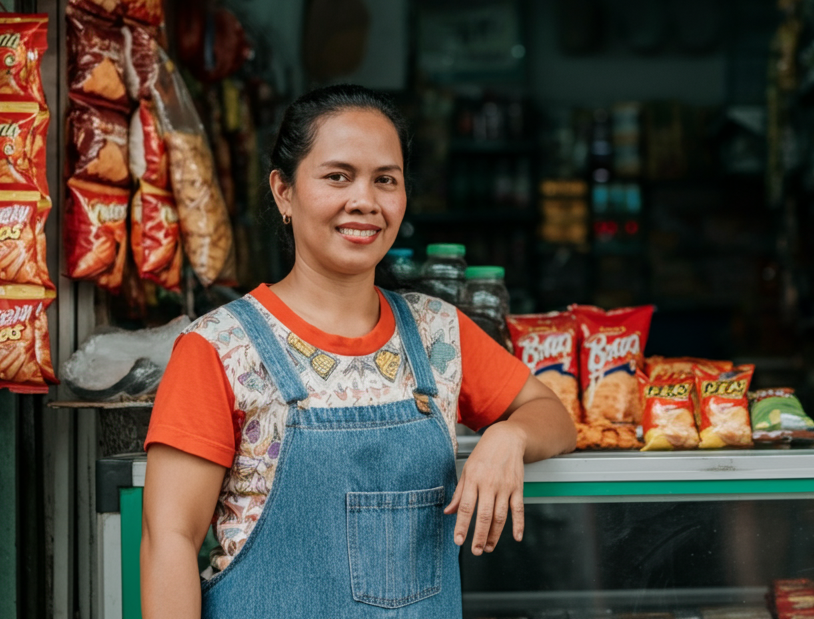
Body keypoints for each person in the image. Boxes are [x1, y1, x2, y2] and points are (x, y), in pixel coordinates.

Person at [140, 85, 576, 618]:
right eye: (337, 176)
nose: (365, 200)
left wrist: (510, 435)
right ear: (283, 191)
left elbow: (554, 415)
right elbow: (170, 539)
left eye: (385, 180)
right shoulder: (219, 347)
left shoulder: (437, 332)